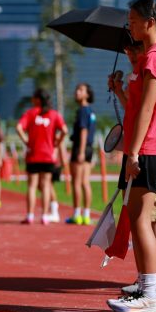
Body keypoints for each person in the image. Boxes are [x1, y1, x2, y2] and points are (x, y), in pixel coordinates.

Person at [106, 0, 156, 312]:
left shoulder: (155, 57)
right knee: (137, 220)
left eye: (132, 20)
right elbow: (137, 107)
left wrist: (133, 151)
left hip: (149, 149)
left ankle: (151, 293)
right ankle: (146, 289)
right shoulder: (149, 57)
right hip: (146, 148)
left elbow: (148, 109)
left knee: (140, 219)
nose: (129, 26)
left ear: (150, 22)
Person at [16, 89, 67, 225]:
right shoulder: (54, 114)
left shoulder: (31, 113)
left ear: (37, 99)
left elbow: (19, 127)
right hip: (48, 156)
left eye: (33, 97)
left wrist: (26, 141)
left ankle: (30, 215)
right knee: (45, 186)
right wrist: (57, 142)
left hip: (33, 155)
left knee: (32, 186)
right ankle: (44, 216)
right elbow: (65, 130)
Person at [65, 83, 97, 226]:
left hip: (81, 148)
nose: (77, 92)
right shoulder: (91, 111)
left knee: (77, 182)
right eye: (77, 89)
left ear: (87, 94)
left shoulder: (83, 110)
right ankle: (86, 215)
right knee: (85, 182)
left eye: (81, 90)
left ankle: (77, 214)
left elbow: (83, 131)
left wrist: (81, 151)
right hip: (89, 148)